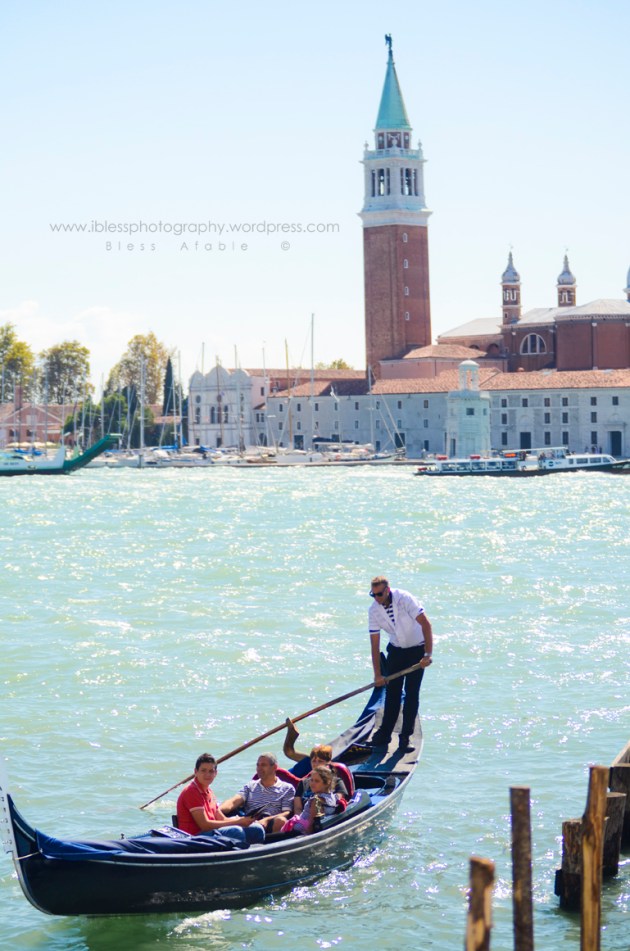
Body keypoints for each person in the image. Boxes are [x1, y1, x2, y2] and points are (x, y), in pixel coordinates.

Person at [368, 575, 433, 751]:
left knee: (412, 694)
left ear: (387, 591)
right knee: (392, 694)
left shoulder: (405, 599)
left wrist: (427, 654)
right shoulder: (374, 610)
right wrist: (377, 675)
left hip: (417, 651)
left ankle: (405, 737)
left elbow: (426, 625)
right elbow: (374, 644)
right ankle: (384, 734)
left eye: (379, 594)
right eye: (373, 595)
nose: (377, 598)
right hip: (396, 651)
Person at [176, 753, 265, 844]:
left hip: (210, 833)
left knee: (257, 829)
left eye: (211, 771)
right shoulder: (191, 792)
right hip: (194, 838)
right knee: (236, 832)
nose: (207, 774)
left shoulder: (209, 792)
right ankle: (238, 856)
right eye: (203, 770)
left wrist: (244, 820)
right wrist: (238, 822)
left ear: (215, 773)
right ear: (196, 772)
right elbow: (205, 825)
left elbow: (222, 819)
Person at [220, 752, 295, 834]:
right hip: (250, 821)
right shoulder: (250, 785)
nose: (259, 768)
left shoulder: (287, 788)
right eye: (258, 765)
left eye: (263, 765)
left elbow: (286, 813)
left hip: (271, 822)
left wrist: (266, 820)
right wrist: (218, 810)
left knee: (281, 821)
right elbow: (234, 801)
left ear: (274, 767)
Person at [280, 766, 338, 835]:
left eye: (317, 781)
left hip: (299, 832)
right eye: (311, 780)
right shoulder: (332, 797)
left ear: (327, 783)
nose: (312, 783)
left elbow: (310, 826)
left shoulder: (316, 801)